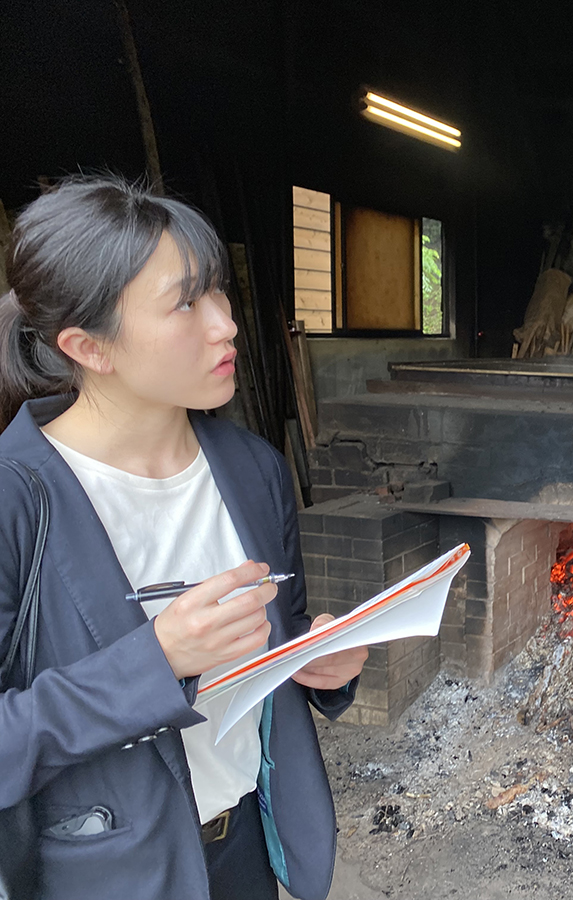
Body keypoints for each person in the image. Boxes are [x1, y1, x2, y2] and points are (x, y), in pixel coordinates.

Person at [0, 176, 368, 900]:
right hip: (107, 875)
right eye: (185, 303)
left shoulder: (253, 469)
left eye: (218, 291)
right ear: (89, 346)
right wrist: (158, 660)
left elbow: (274, 636)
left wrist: (321, 661)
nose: (226, 324)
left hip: (249, 853)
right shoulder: (16, 499)